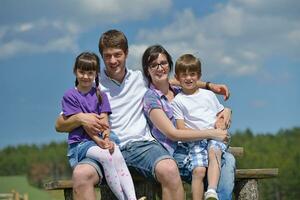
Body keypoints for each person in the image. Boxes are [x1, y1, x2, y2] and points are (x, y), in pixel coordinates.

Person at [55, 29, 231, 200]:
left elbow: (169, 79)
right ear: (102, 56)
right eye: (107, 56)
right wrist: (79, 118)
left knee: (169, 169)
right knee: (81, 175)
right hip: (105, 146)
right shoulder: (93, 82)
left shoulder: (139, 78)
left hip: (142, 145)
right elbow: (59, 124)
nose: (113, 60)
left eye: (118, 54)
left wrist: (209, 86)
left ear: (126, 53)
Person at [141, 45, 235, 200]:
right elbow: (173, 133)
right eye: (153, 65)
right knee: (226, 161)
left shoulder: (180, 91)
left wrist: (226, 110)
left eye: (163, 63)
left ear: (170, 65)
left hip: (200, 146)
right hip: (175, 153)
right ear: (147, 70)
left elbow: (190, 81)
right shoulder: (151, 98)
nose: (159, 68)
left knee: (226, 159)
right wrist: (213, 133)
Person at [61, 52, 138, 200]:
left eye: (90, 73)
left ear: (96, 74)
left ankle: (132, 198)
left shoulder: (100, 95)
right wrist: (100, 141)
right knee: (106, 156)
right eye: (81, 72)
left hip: (102, 137)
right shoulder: (70, 96)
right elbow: (86, 126)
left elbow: (104, 121)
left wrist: (107, 137)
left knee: (117, 155)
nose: (85, 76)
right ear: (75, 71)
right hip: (81, 144)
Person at [171, 54, 231, 200]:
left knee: (214, 151)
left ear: (199, 76)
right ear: (177, 77)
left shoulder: (208, 95)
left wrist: (222, 122)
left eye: (192, 74)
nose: (189, 78)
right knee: (198, 171)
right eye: (184, 75)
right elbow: (180, 128)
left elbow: (220, 115)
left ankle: (211, 191)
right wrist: (208, 133)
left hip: (215, 139)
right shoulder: (178, 101)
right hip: (195, 141)